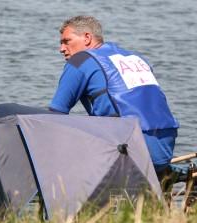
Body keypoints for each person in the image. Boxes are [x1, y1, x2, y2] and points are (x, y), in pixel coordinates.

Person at [49, 15, 179, 179]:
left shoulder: (80, 60)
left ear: (87, 38)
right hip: (165, 147)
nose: (61, 49)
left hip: (128, 149)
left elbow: (55, 117)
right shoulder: (135, 58)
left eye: (66, 41)